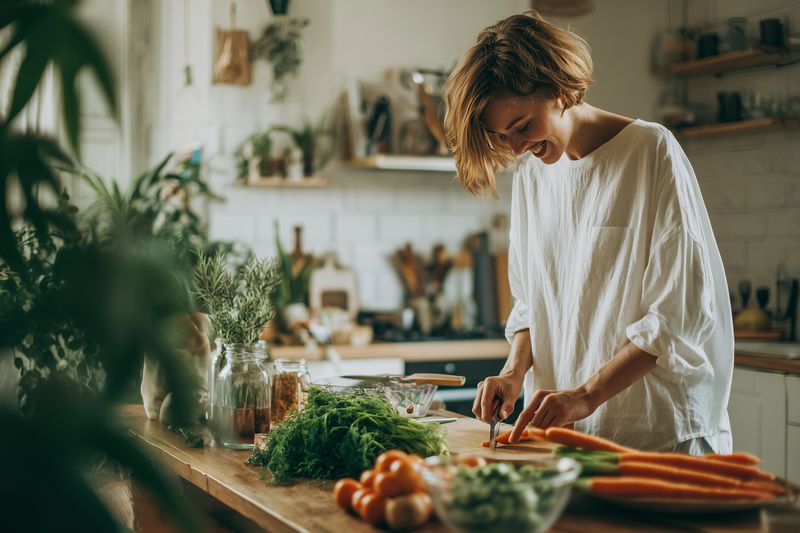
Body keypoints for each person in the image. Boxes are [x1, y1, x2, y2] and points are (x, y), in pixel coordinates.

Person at [443, 11, 733, 454]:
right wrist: (514, 372)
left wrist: (586, 395)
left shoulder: (650, 152)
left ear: (559, 89)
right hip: (569, 439)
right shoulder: (532, 178)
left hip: (659, 437)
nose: (518, 147)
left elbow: (677, 316)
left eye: (522, 126)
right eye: (504, 136)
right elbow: (529, 306)